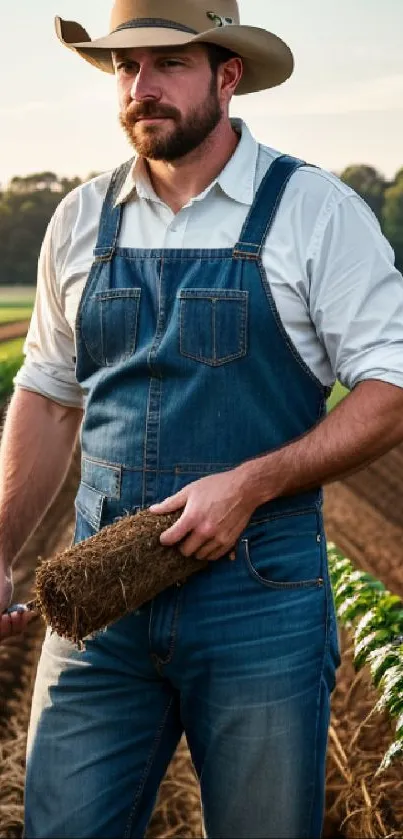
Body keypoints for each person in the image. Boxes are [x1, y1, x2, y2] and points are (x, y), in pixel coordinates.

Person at [1, 1, 403, 836]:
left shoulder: (313, 212)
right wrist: (2, 547)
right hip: (97, 606)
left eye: (168, 63)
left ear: (227, 75)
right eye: (124, 67)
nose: (140, 87)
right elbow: (46, 395)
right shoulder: (79, 220)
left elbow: (389, 385)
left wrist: (253, 483)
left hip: (258, 600)